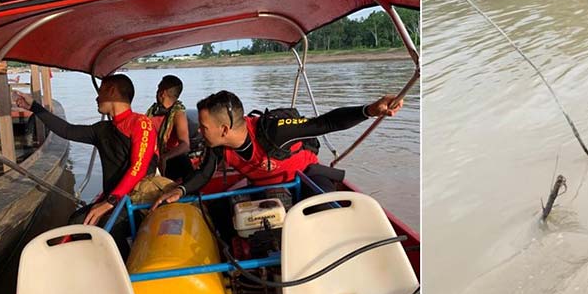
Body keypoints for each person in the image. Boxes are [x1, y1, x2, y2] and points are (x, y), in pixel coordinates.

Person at [152, 90, 403, 206]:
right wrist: (181, 190)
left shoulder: (274, 131)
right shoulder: (217, 145)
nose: (199, 131)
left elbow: (325, 122)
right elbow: (205, 174)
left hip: (304, 177)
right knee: (224, 213)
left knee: (326, 207)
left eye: (204, 127)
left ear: (224, 129)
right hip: (264, 187)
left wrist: (370, 110)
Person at [17, 74, 170, 234]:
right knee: (75, 221)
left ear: (111, 91)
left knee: (106, 229)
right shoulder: (101, 129)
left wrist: (109, 202)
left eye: (101, 92)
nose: (97, 98)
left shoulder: (140, 123)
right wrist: (34, 106)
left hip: (137, 199)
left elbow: (139, 167)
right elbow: (67, 130)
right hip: (115, 200)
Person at [146, 74, 192, 180]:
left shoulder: (178, 113)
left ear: (163, 93)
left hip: (172, 160)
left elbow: (185, 145)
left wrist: (165, 157)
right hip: (154, 158)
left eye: (158, 89)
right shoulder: (153, 112)